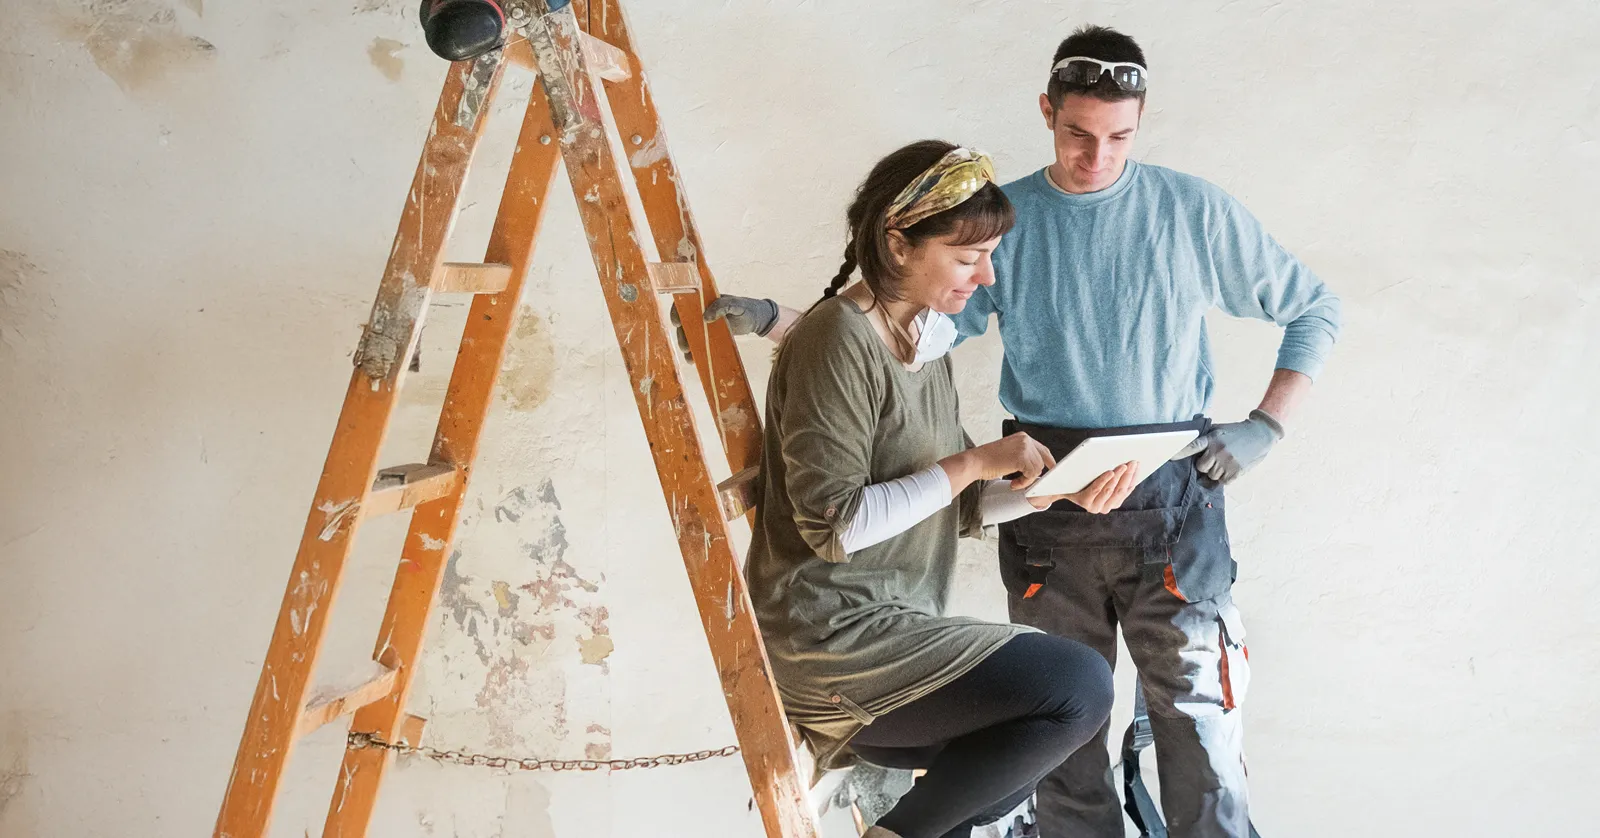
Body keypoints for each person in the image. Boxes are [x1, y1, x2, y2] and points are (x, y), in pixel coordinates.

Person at [688, 26, 1342, 838]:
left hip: (1166, 501)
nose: (1096, 156)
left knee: (1198, 727)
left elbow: (1315, 308)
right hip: (1039, 523)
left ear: (1143, 124)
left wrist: (1266, 426)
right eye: (1078, 133)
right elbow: (877, 344)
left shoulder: (1191, 211)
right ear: (1046, 112)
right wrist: (783, 323)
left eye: (1119, 137)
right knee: (1058, 755)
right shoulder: (993, 230)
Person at [744, 139, 1127, 838]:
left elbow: (958, 502)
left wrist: (1054, 492)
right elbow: (838, 525)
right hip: (834, 642)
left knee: (1003, 772)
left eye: (991, 255)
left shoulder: (922, 340)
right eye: (967, 256)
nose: (987, 276)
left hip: (896, 632)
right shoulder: (837, 339)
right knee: (1078, 685)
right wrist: (976, 461)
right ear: (898, 245)